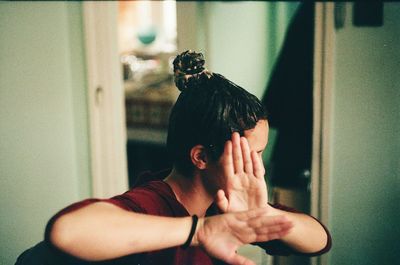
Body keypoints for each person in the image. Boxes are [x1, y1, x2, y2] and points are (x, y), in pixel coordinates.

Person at [42, 50, 331, 265]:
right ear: (201, 157)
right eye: (249, 156)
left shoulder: (226, 202)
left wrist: (264, 216)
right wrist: (201, 231)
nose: (258, 169)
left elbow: (319, 240)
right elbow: (67, 231)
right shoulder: (153, 202)